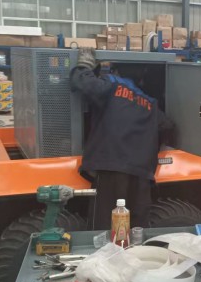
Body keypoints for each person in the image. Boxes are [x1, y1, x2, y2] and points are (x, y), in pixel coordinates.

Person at [70, 48, 174, 230]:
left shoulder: (112, 85)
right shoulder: (150, 102)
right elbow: (167, 126)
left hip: (112, 167)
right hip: (141, 172)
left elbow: (85, 84)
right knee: (137, 228)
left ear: (116, 71)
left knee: (105, 225)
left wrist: (84, 66)